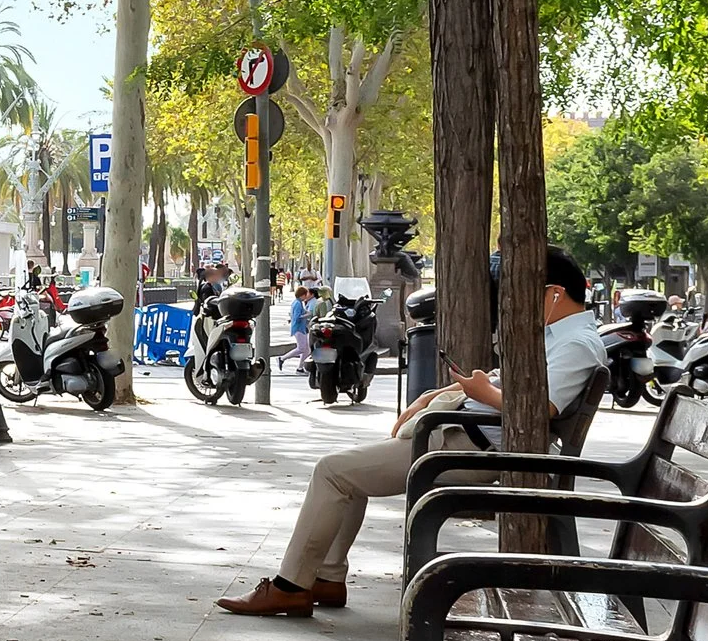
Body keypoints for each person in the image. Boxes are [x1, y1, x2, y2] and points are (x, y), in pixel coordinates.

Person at [218, 248, 610, 620]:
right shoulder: (561, 336)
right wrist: (437, 394)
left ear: (554, 293)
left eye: (522, 292)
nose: (513, 302)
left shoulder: (576, 343)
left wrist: (480, 392)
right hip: (462, 437)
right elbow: (513, 388)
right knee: (345, 474)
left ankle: (291, 586)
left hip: (465, 447)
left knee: (333, 471)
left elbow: (541, 408)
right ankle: (325, 579)